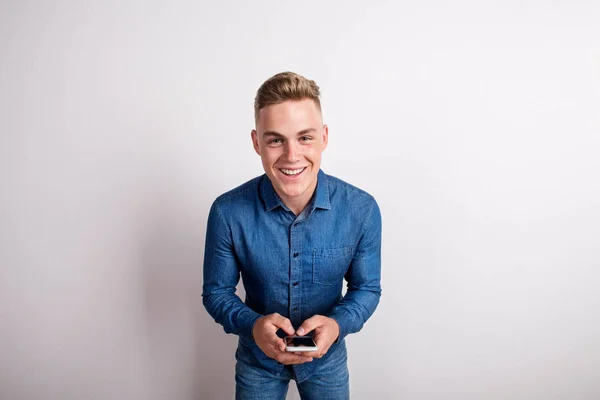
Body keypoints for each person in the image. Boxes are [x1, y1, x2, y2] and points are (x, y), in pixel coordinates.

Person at [202, 71, 382, 400]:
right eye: (275, 140)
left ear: (324, 137)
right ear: (257, 142)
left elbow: (366, 289)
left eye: (305, 137)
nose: (291, 155)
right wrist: (253, 326)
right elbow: (216, 293)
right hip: (257, 362)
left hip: (327, 362)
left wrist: (337, 325)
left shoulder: (362, 209)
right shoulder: (227, 212)